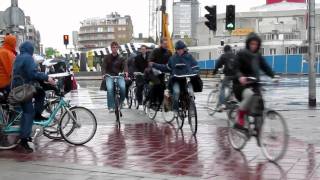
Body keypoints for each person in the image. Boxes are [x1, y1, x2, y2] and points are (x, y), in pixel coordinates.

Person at [13, 41, 55, 153]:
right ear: (30, 49)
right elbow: (33, 73)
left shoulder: (19, 57)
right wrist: (47, 77)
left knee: (40, 92)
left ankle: (37, 114)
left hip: (18, 88)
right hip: (23, 89)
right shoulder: (28, 58)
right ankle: (24, 140)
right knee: (28, 112)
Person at [233, 33, 276, 131]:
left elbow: (265, 67)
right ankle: (240, 117)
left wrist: (273, 76)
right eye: (252, 44)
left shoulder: (258, 56)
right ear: (248, 44)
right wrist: (240, 77)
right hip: (240, 85)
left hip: (254, 84)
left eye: (256, 44)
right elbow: (236, 68)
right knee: (249, 95)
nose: (254, 46)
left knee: (260, 105)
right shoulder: (241, 54)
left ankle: (258, 131)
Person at [150, 40, 199, 115]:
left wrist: (196, 70)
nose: (179, 51)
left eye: (181, 49)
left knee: (190, 92)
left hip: (185, 79)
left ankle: (190, 107)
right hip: (175, 80)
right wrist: (155, 65)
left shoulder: (189, 56)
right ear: (176, 50)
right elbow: (166, 68)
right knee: (176, 92)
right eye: (178, 49)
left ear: (184, 49)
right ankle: (175, 109)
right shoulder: (173, 58)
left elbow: (195, 65)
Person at [102, 41, 128, 113]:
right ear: (111, 48)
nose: (115, 49)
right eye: (113, 47)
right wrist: (104, 74)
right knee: (110, 89)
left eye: (116, 47)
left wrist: (126, 72)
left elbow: (125, 66)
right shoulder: (107, 57)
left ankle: (120, 102)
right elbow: (103, 67)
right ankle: (111, 106)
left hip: (119, 75)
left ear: (118, 48)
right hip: (109, 76)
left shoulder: (121, 58)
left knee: (123, 88)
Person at [148, 38, 172, 107]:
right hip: (154, 72)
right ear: (161, 44)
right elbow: (150, 60)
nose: (166, 45)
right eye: (164, 43)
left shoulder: (169, 52)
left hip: (163, 72)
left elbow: (171, 62)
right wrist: (151, 64)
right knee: (157, 84)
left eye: (166, 43)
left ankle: (163, 102)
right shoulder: (155, 51)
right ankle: (152, 102)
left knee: (165, 86)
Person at [212, 45, 237, 111]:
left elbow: (218, 64)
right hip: (236, 75)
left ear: (225, 50)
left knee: (222, 88)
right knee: (232, 88)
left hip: (228, 75)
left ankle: (222, 104)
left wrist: (214, 72)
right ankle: (232, 98)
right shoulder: (235, 55)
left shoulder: (224, 56)